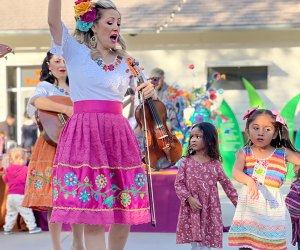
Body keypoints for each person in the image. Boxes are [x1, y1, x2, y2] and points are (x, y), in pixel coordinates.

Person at [48, 0, 157, 249]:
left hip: (117, 134)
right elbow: (54, 21)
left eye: (118, 22)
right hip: (84, 133)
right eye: (110, 22)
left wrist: (149, 91)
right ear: (93, 26)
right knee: (92, 212)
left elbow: (144, 92)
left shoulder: (128, 60)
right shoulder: (74, 50)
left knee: (125, 208)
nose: (116, 27)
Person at [22, 51, 84, 250]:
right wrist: (66, 109)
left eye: (65, 60)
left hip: (76, 144)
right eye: (57, 61)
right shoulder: (45, 87)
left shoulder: (79, 89)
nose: (62, 64)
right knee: (53, 198)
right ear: (49, 66)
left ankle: (78, 243)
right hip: (52, 144)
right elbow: (36, 102)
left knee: (76, 195)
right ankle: (56, 246)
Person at [228, 108, 300, 250]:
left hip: (272, 209)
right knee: (247, 244)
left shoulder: (282, 153)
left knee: (270, 244)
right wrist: (249, 181)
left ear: (274, 134)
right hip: (250, 208)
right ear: (248, 130)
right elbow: (236, 172)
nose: (261, 132)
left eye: (267, 129)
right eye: (256, 128)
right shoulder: (245, 152)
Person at [174, 122, 238, 250]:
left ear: (209, 140)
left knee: (206, 245)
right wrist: (189, 198)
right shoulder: (186, 162)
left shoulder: (215, 164)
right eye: (192, 136)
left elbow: (228, 186)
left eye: (198, 136)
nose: (193, 139)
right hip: (193, 209)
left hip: (210, 210)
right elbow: (178, 184)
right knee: (196, 245)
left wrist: (240, 205)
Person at [2, 147, 42, 235]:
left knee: (11, 213)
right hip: (20, 195)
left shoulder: (8, 169)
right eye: (25, 159)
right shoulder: (25, 169)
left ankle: (7, 229)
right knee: (27, 212)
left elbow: (5, 180)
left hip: (10, 196)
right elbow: (30, 179)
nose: (25, 161)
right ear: (20, 158)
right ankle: (32, 227)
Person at [285, 165, 300, 249]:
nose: (293, 168)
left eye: (296, 165)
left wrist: (292, 218)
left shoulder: (297, 186)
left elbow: (292, 206)